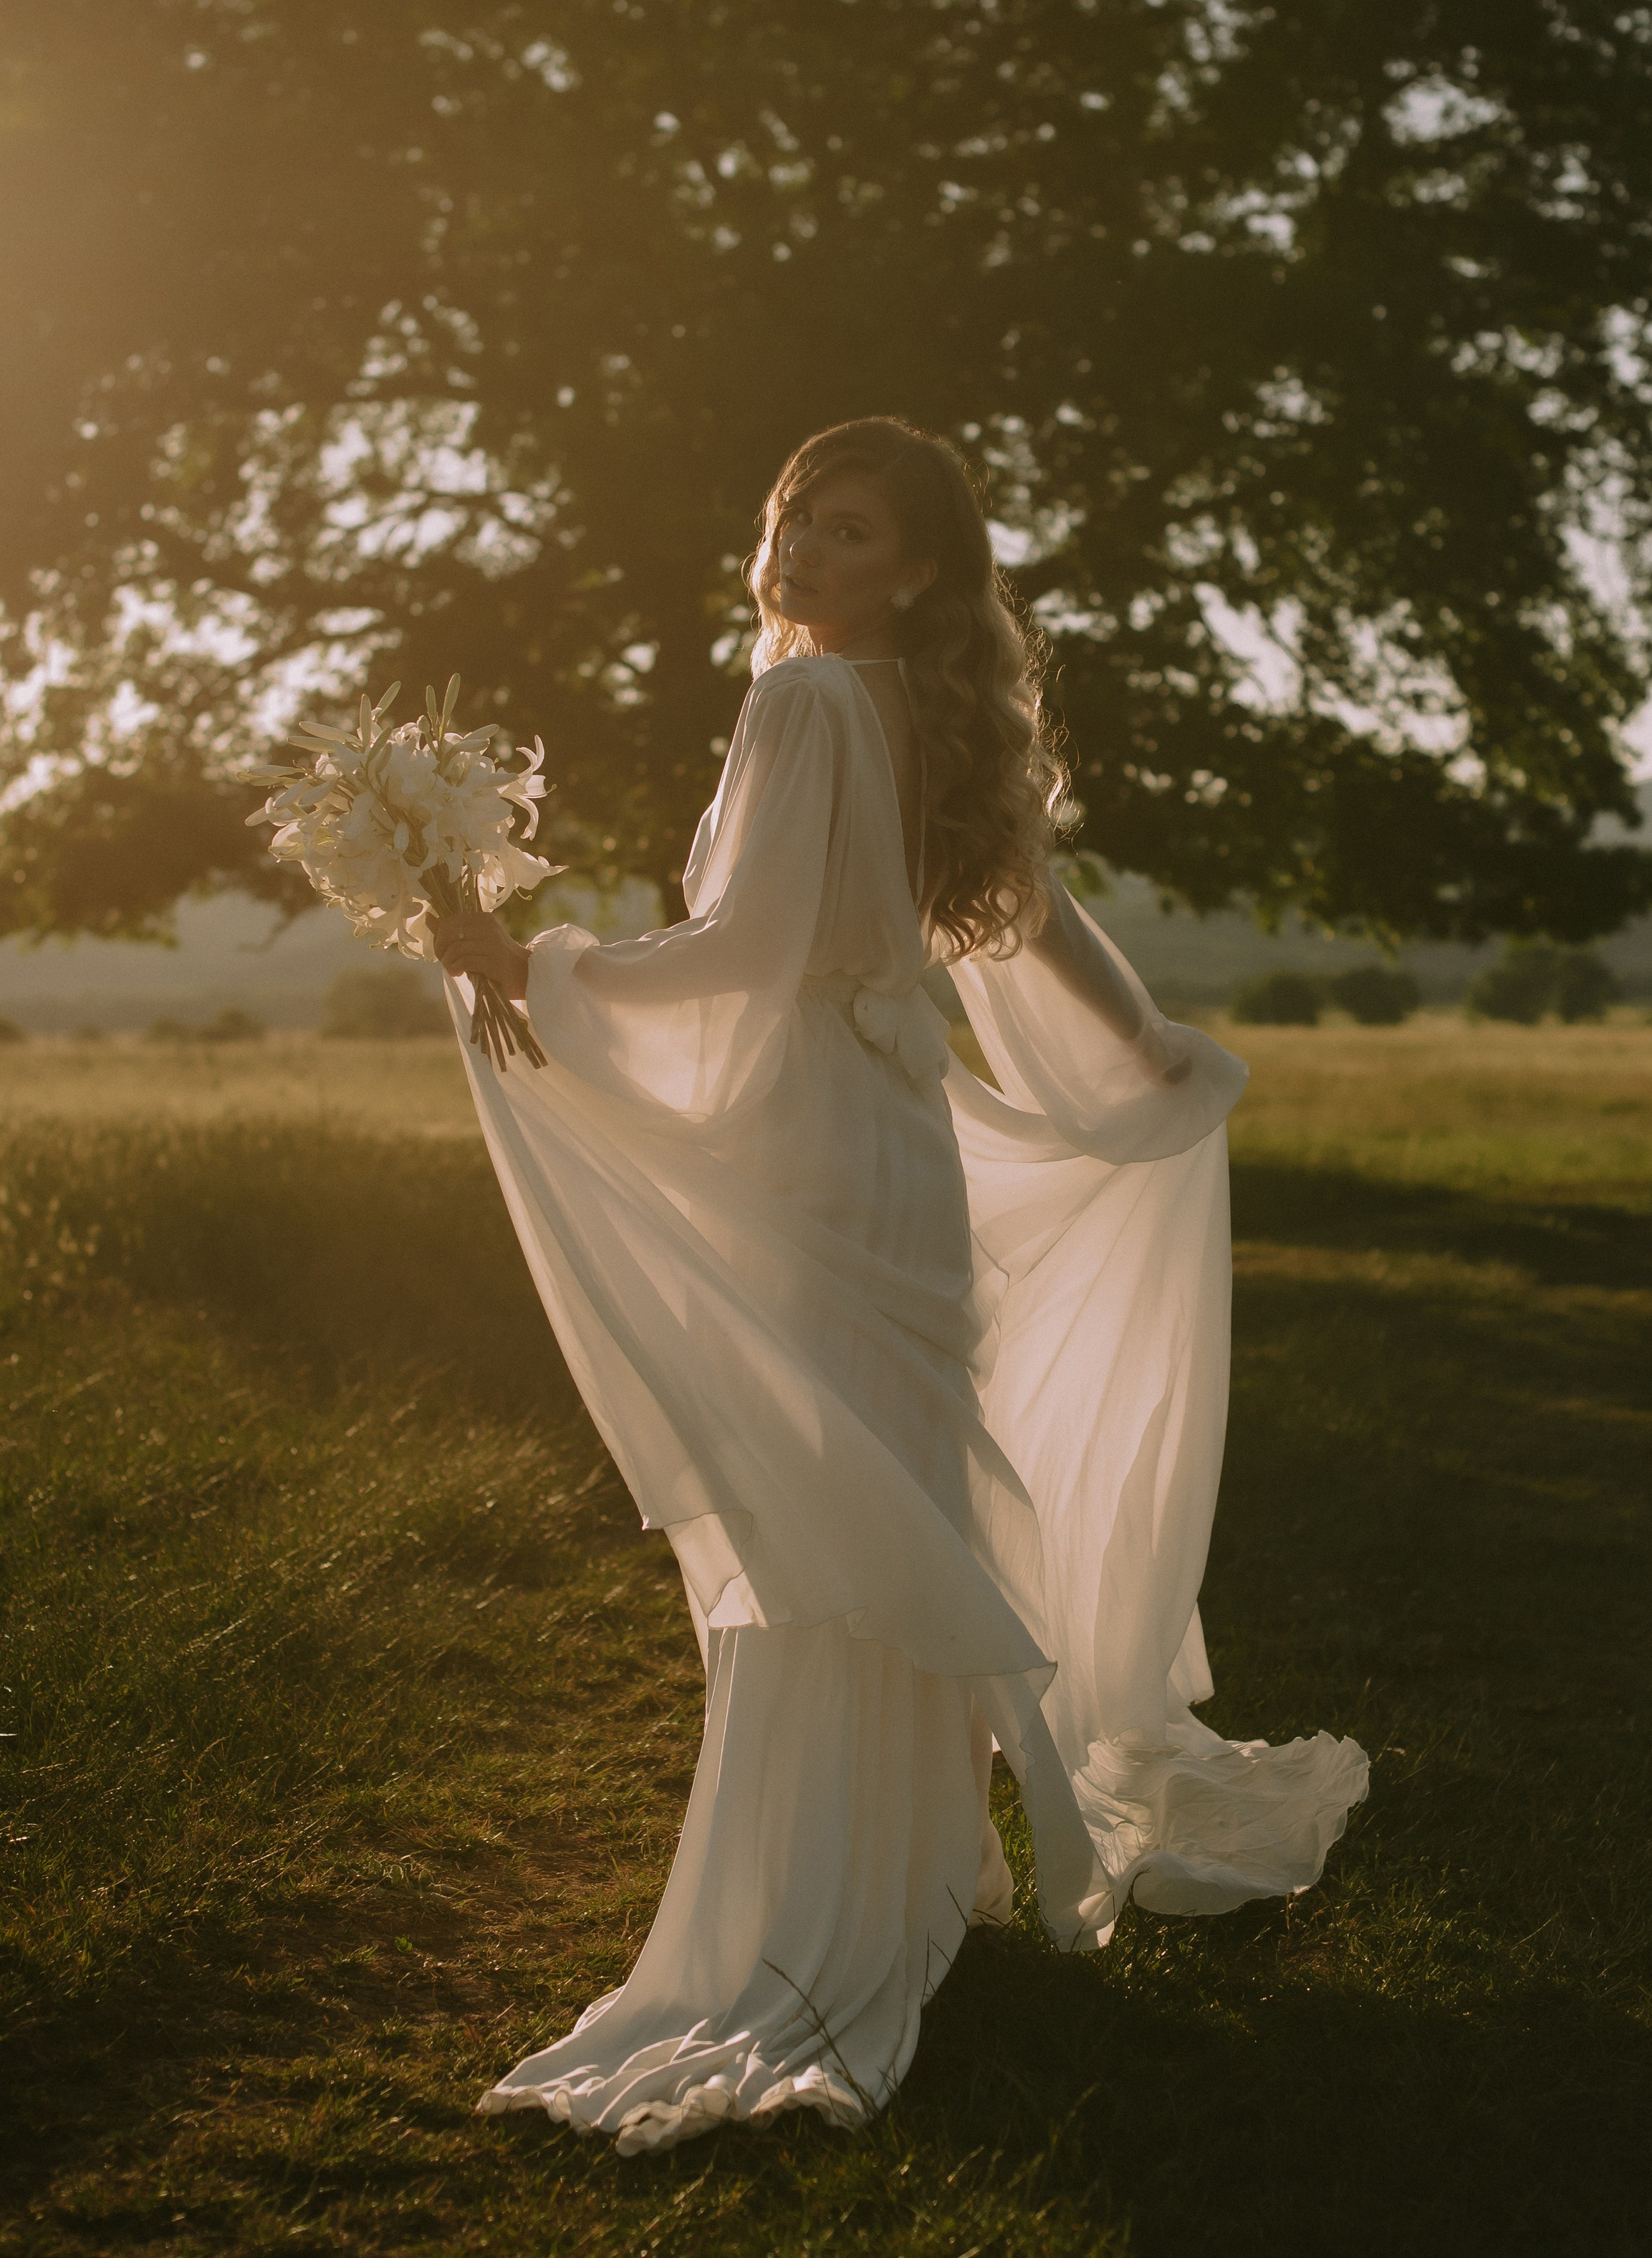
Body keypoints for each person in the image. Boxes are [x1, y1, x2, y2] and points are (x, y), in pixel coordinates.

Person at [430, 415, 1368, 2156]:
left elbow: (742, 955)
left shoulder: (804, 707)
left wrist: (532, 960)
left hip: (807, 1152)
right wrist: (1151, 1050)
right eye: (788, 513)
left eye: (843, 528)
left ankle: (827, 1929)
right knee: (884, 1496)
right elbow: (1030, 906)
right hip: (891, 1158)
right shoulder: (914, 720)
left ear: (915, 570)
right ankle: (914, 1883)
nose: (793, 546)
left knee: (835, 1516)